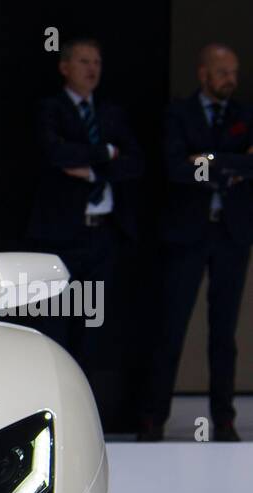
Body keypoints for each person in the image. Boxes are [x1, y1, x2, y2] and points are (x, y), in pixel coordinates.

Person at [143, 43, 253, 442]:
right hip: (187, 232)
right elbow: (175, 167)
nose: (231, 80)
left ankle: (223, 419)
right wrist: (229, 164)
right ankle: (154, 416)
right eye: (223, 72)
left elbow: (243, 164)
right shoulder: (179, 112)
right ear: (204, 73)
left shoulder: (243, 114)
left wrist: (206, 160)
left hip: (230, 234)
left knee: (224, 333)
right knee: (171, 326)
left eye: (235, 73)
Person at [25, 38, 142, 408]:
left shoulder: (109, 113)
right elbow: (55, 154)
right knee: (56, 321)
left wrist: (90, 172)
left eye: (97, 62)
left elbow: (135, 162)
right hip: (60, 236)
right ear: (65, 67)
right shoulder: (51, 109)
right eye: (83, 61)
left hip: (101, 235)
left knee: (92, 328)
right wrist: (106, 153)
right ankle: (52, 406)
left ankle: (86, 410)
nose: (92, 68)